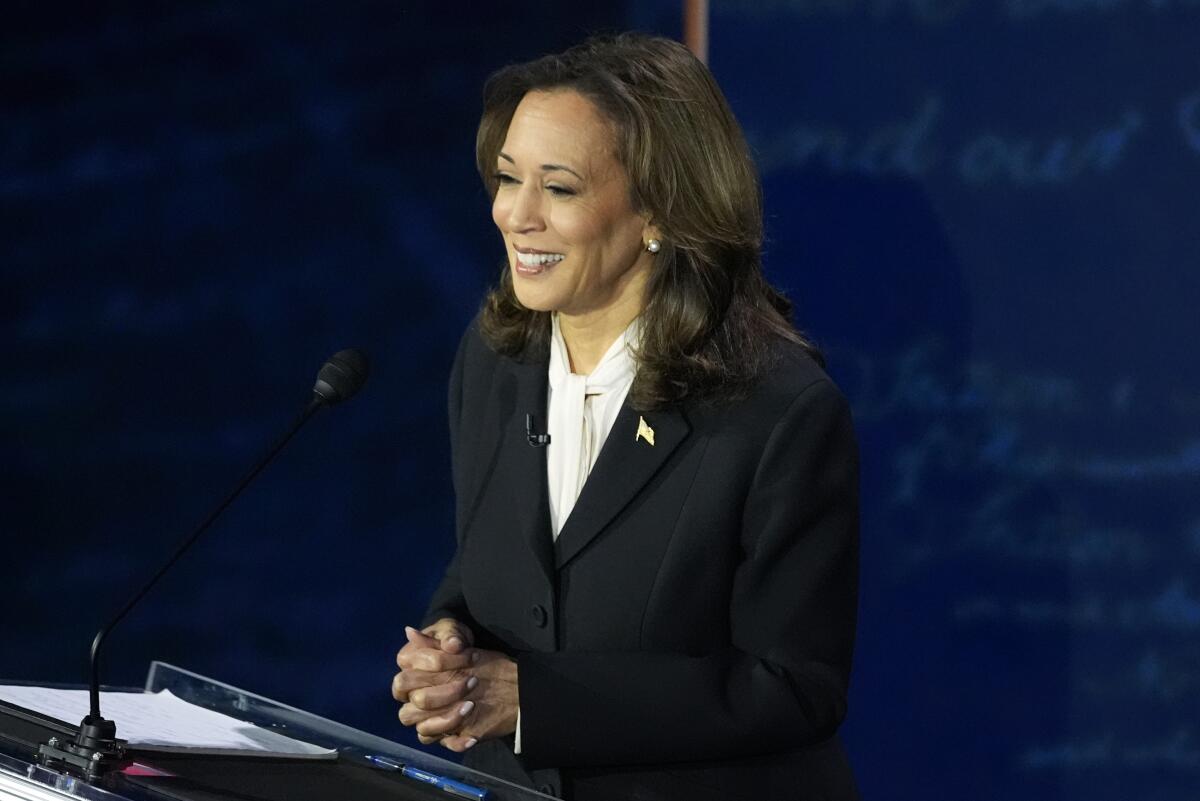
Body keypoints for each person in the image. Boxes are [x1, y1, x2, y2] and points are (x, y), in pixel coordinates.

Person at [391, 33, 860, 801]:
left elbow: (793, 685)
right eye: (508, 178)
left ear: (661, 212)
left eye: (561, 188)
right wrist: (450, 643)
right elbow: (497, 564)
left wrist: (532, 700)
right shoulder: (494, 361)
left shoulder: (777, 412)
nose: (517, 214)